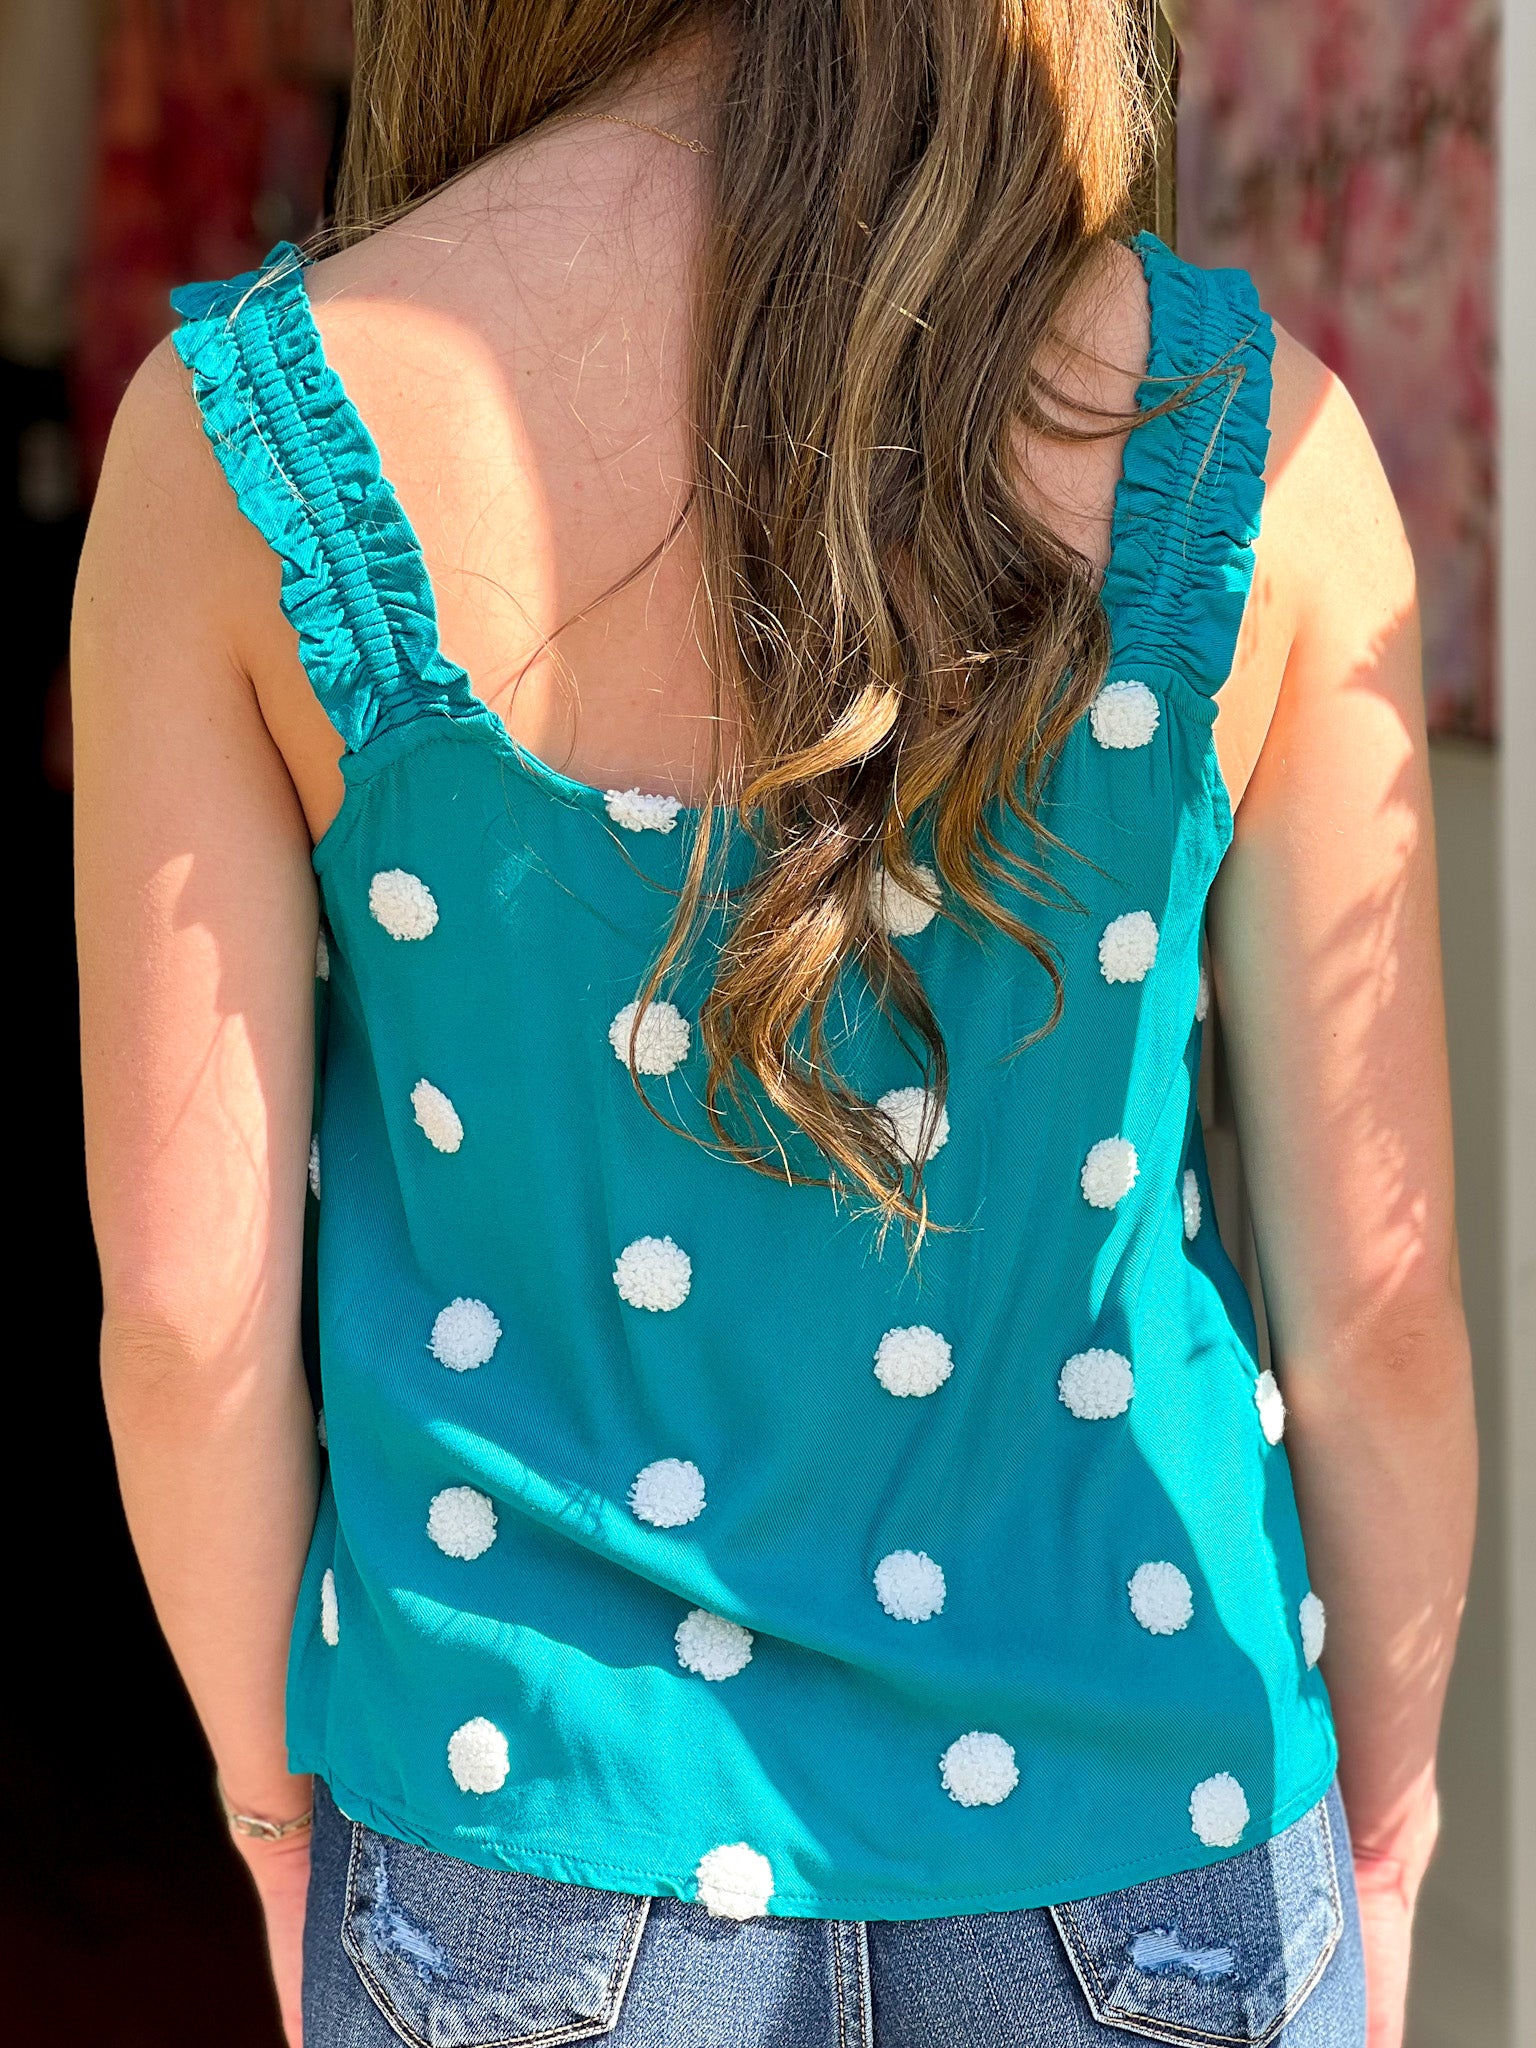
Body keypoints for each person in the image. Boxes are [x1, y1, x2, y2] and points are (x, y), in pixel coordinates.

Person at [73, 5, 1475, 2045]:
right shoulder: (1253, 446)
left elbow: (188, 1323)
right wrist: (1396, 1821)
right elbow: (1383, 1321)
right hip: (1151, 1824)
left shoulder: (248, 443)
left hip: (518, 1837)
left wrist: (270, 1806)